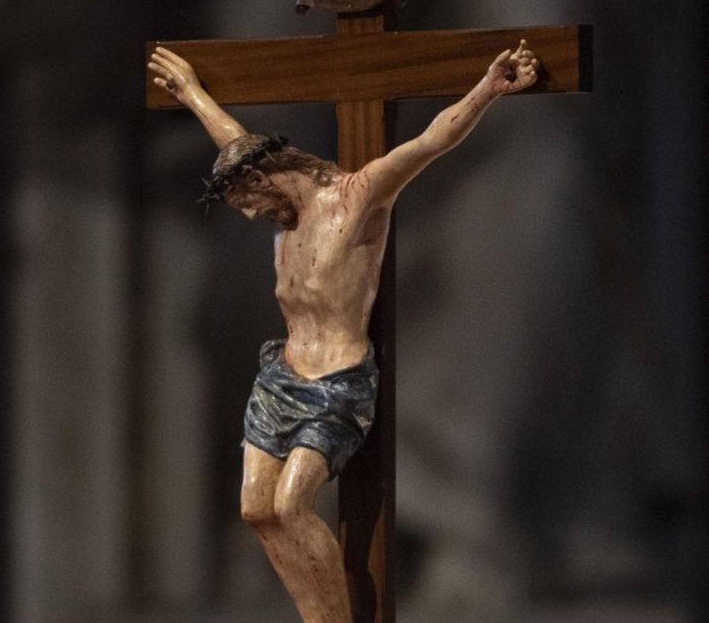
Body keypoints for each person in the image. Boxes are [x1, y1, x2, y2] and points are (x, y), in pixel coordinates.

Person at [148, 42, 538, 622]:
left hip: (336, 381)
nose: (253, 216)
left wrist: (488, 88)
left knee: (292, 504)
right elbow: (234, 139)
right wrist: (192, 93)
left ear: (269, 175)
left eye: (250, 200)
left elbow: (430, 141)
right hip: (281, 376)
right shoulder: (283, 212)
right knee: (256, 509)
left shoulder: (355, 200)